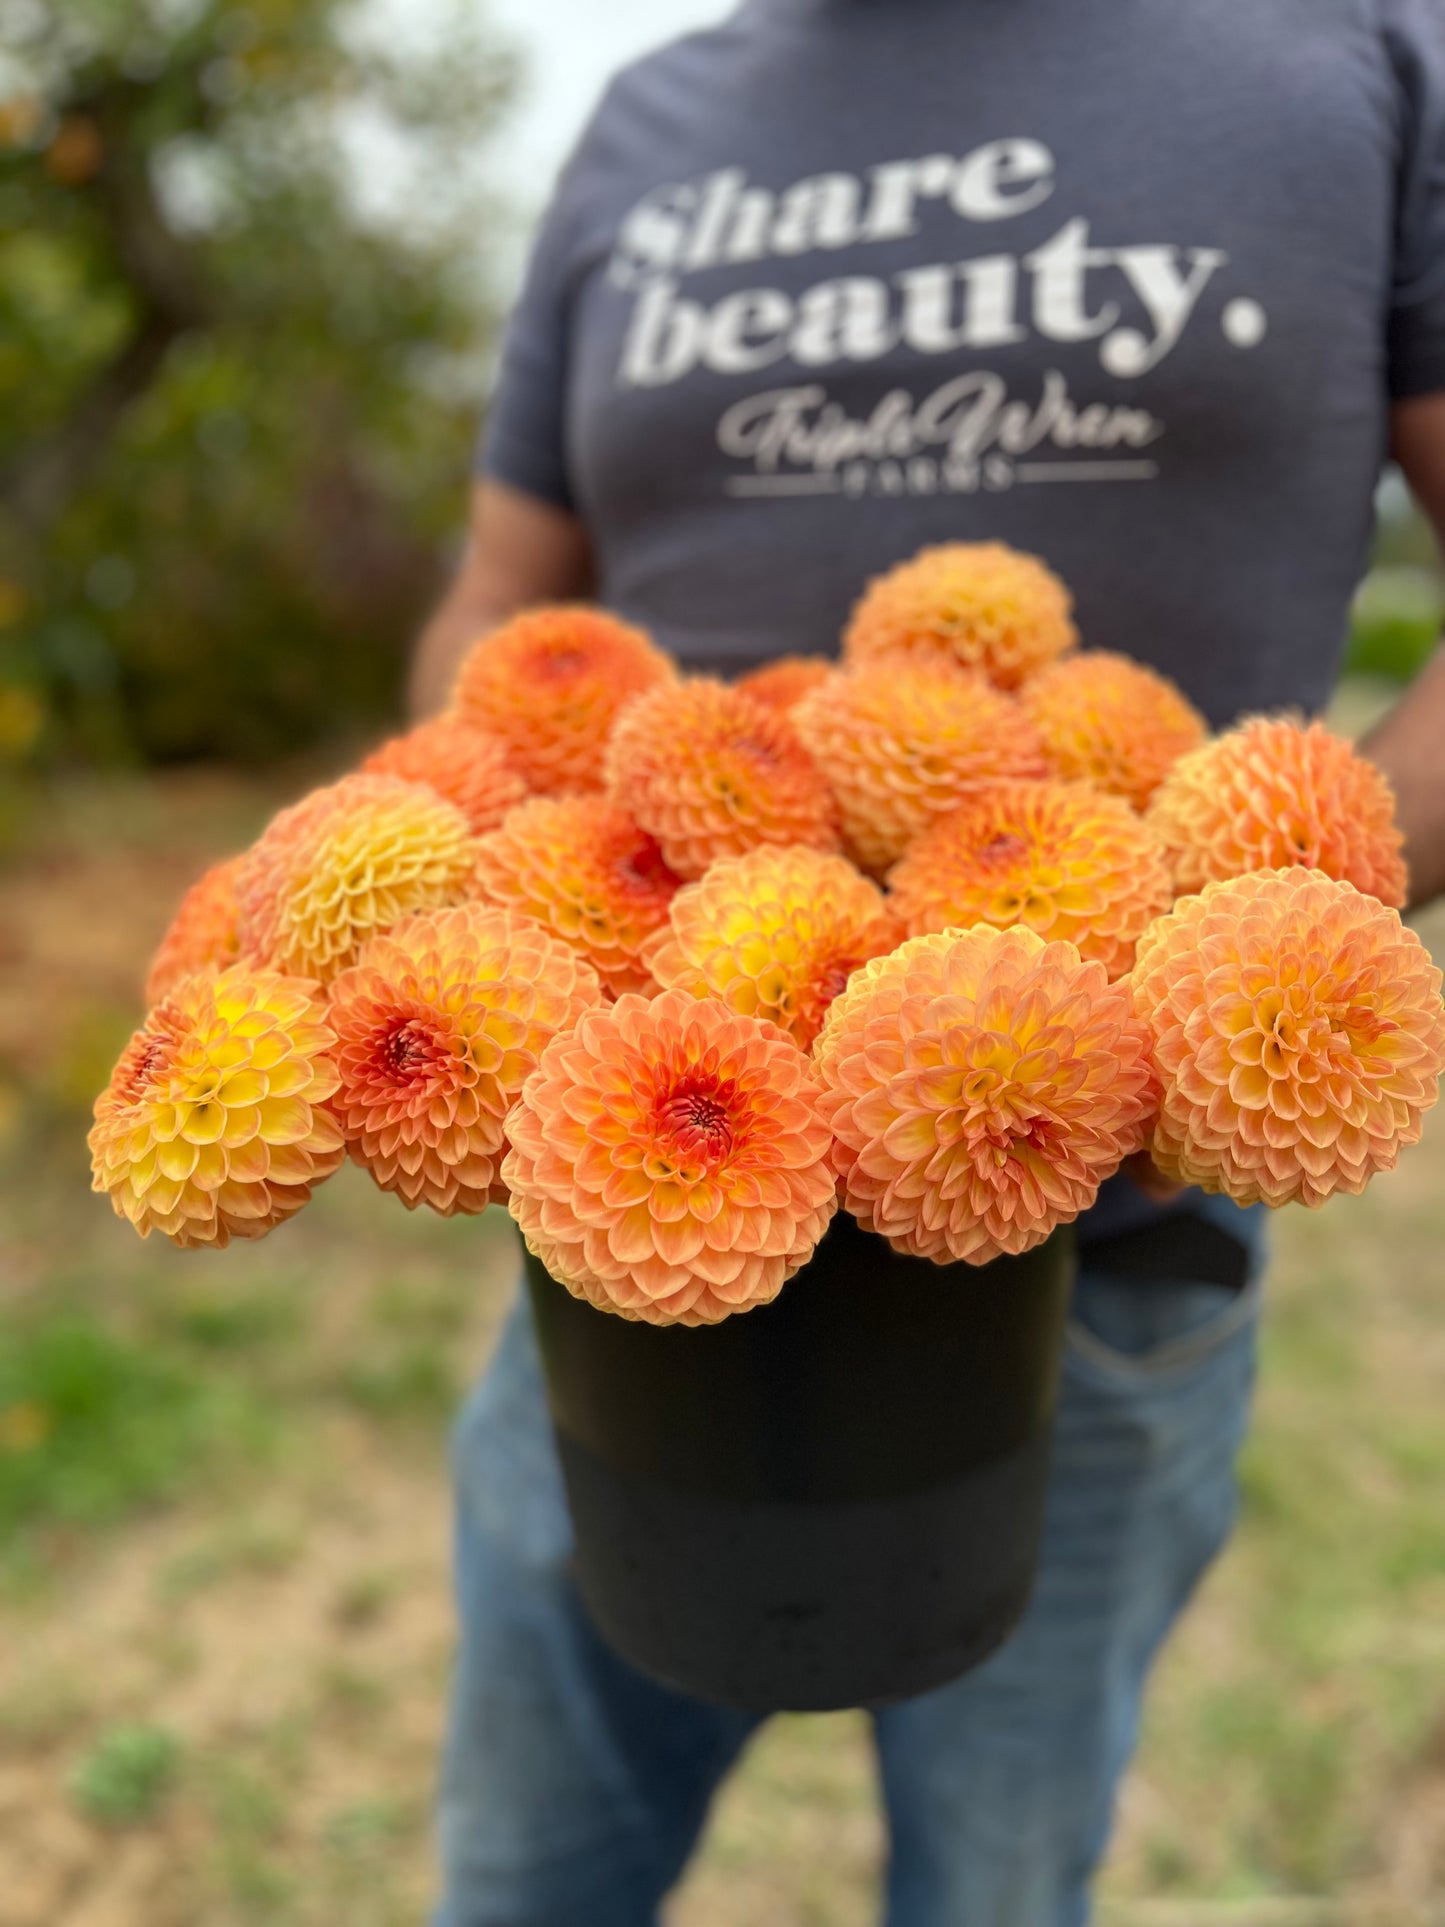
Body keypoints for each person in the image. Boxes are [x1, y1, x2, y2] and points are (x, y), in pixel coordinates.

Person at [413, 3, 1445, 1921]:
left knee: (996, 1882)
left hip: (1100, 1251)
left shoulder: (1351, 49)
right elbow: (500, 592)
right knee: (524, 1871)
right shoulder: (649, 118)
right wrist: (444, 888)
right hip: (618, 1186)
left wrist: (1274, 937)